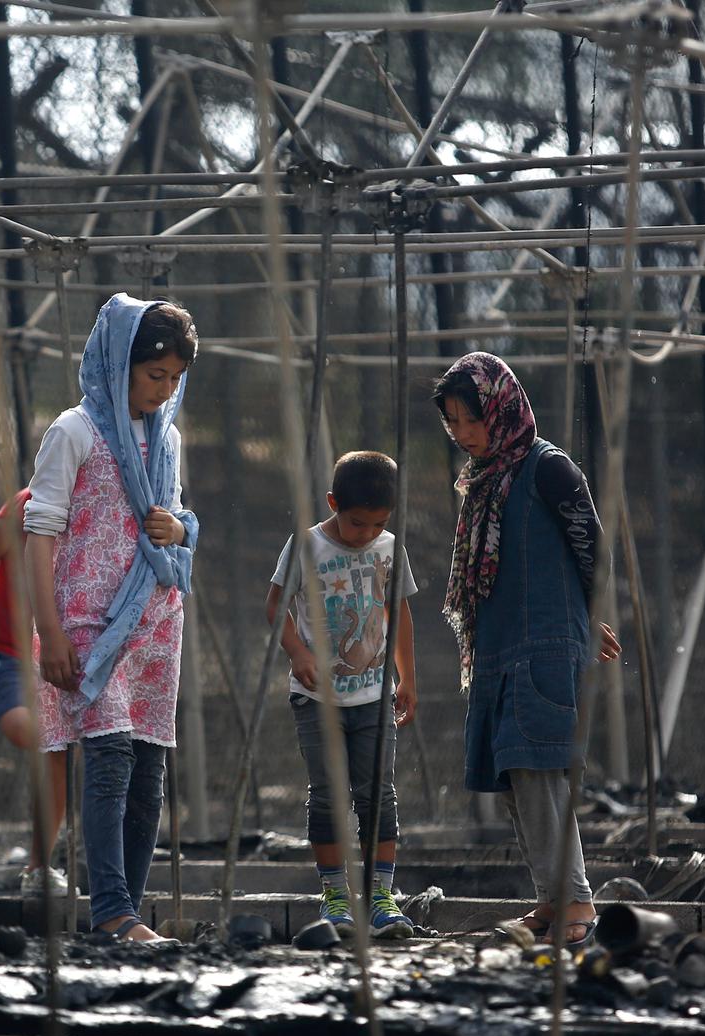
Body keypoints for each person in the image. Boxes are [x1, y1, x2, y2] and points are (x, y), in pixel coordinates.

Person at [25, 295, 200, 944]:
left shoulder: (167, 438)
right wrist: (51, 630)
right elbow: (39, 532)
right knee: (107, 759)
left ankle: (125, 913)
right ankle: (112, 911)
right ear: (120, 361)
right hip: (90, 625)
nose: (164, 390)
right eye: (155, 375)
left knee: (148, 772)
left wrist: (177, 526)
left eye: (175, 380)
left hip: (155, 623)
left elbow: (175, 525)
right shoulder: (74, 432)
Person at [432, 352, 622, 946]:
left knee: (539, 767)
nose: (463, 435)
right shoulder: (486, 481)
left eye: (472, 420)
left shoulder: (548, 469)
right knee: (516, 772)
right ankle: (551, 897)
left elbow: (592, 549)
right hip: (499, 648)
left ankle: (576, 904)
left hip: (541, 644)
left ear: (502, 409)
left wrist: (588, 622)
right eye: (453, 424)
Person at [266, 451, 421, 941]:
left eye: (379, 523)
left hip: (374, 695)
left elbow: (400, 615)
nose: (368, 533)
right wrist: (298, 652)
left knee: (378, 793)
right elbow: (276, 606)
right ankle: (335, 895)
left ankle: (380, 895)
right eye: (358, 523)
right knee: (329, 795)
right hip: (318, 698)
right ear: (334, 503)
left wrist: (407, 678)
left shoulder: (389, 548)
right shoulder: (307, 546)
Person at [0, 488, 72, 896]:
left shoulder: (97, 506)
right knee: (33, 733)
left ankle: (40, 865)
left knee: (57, 749)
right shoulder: (28, 502)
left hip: (55, 655)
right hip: (9, 655)